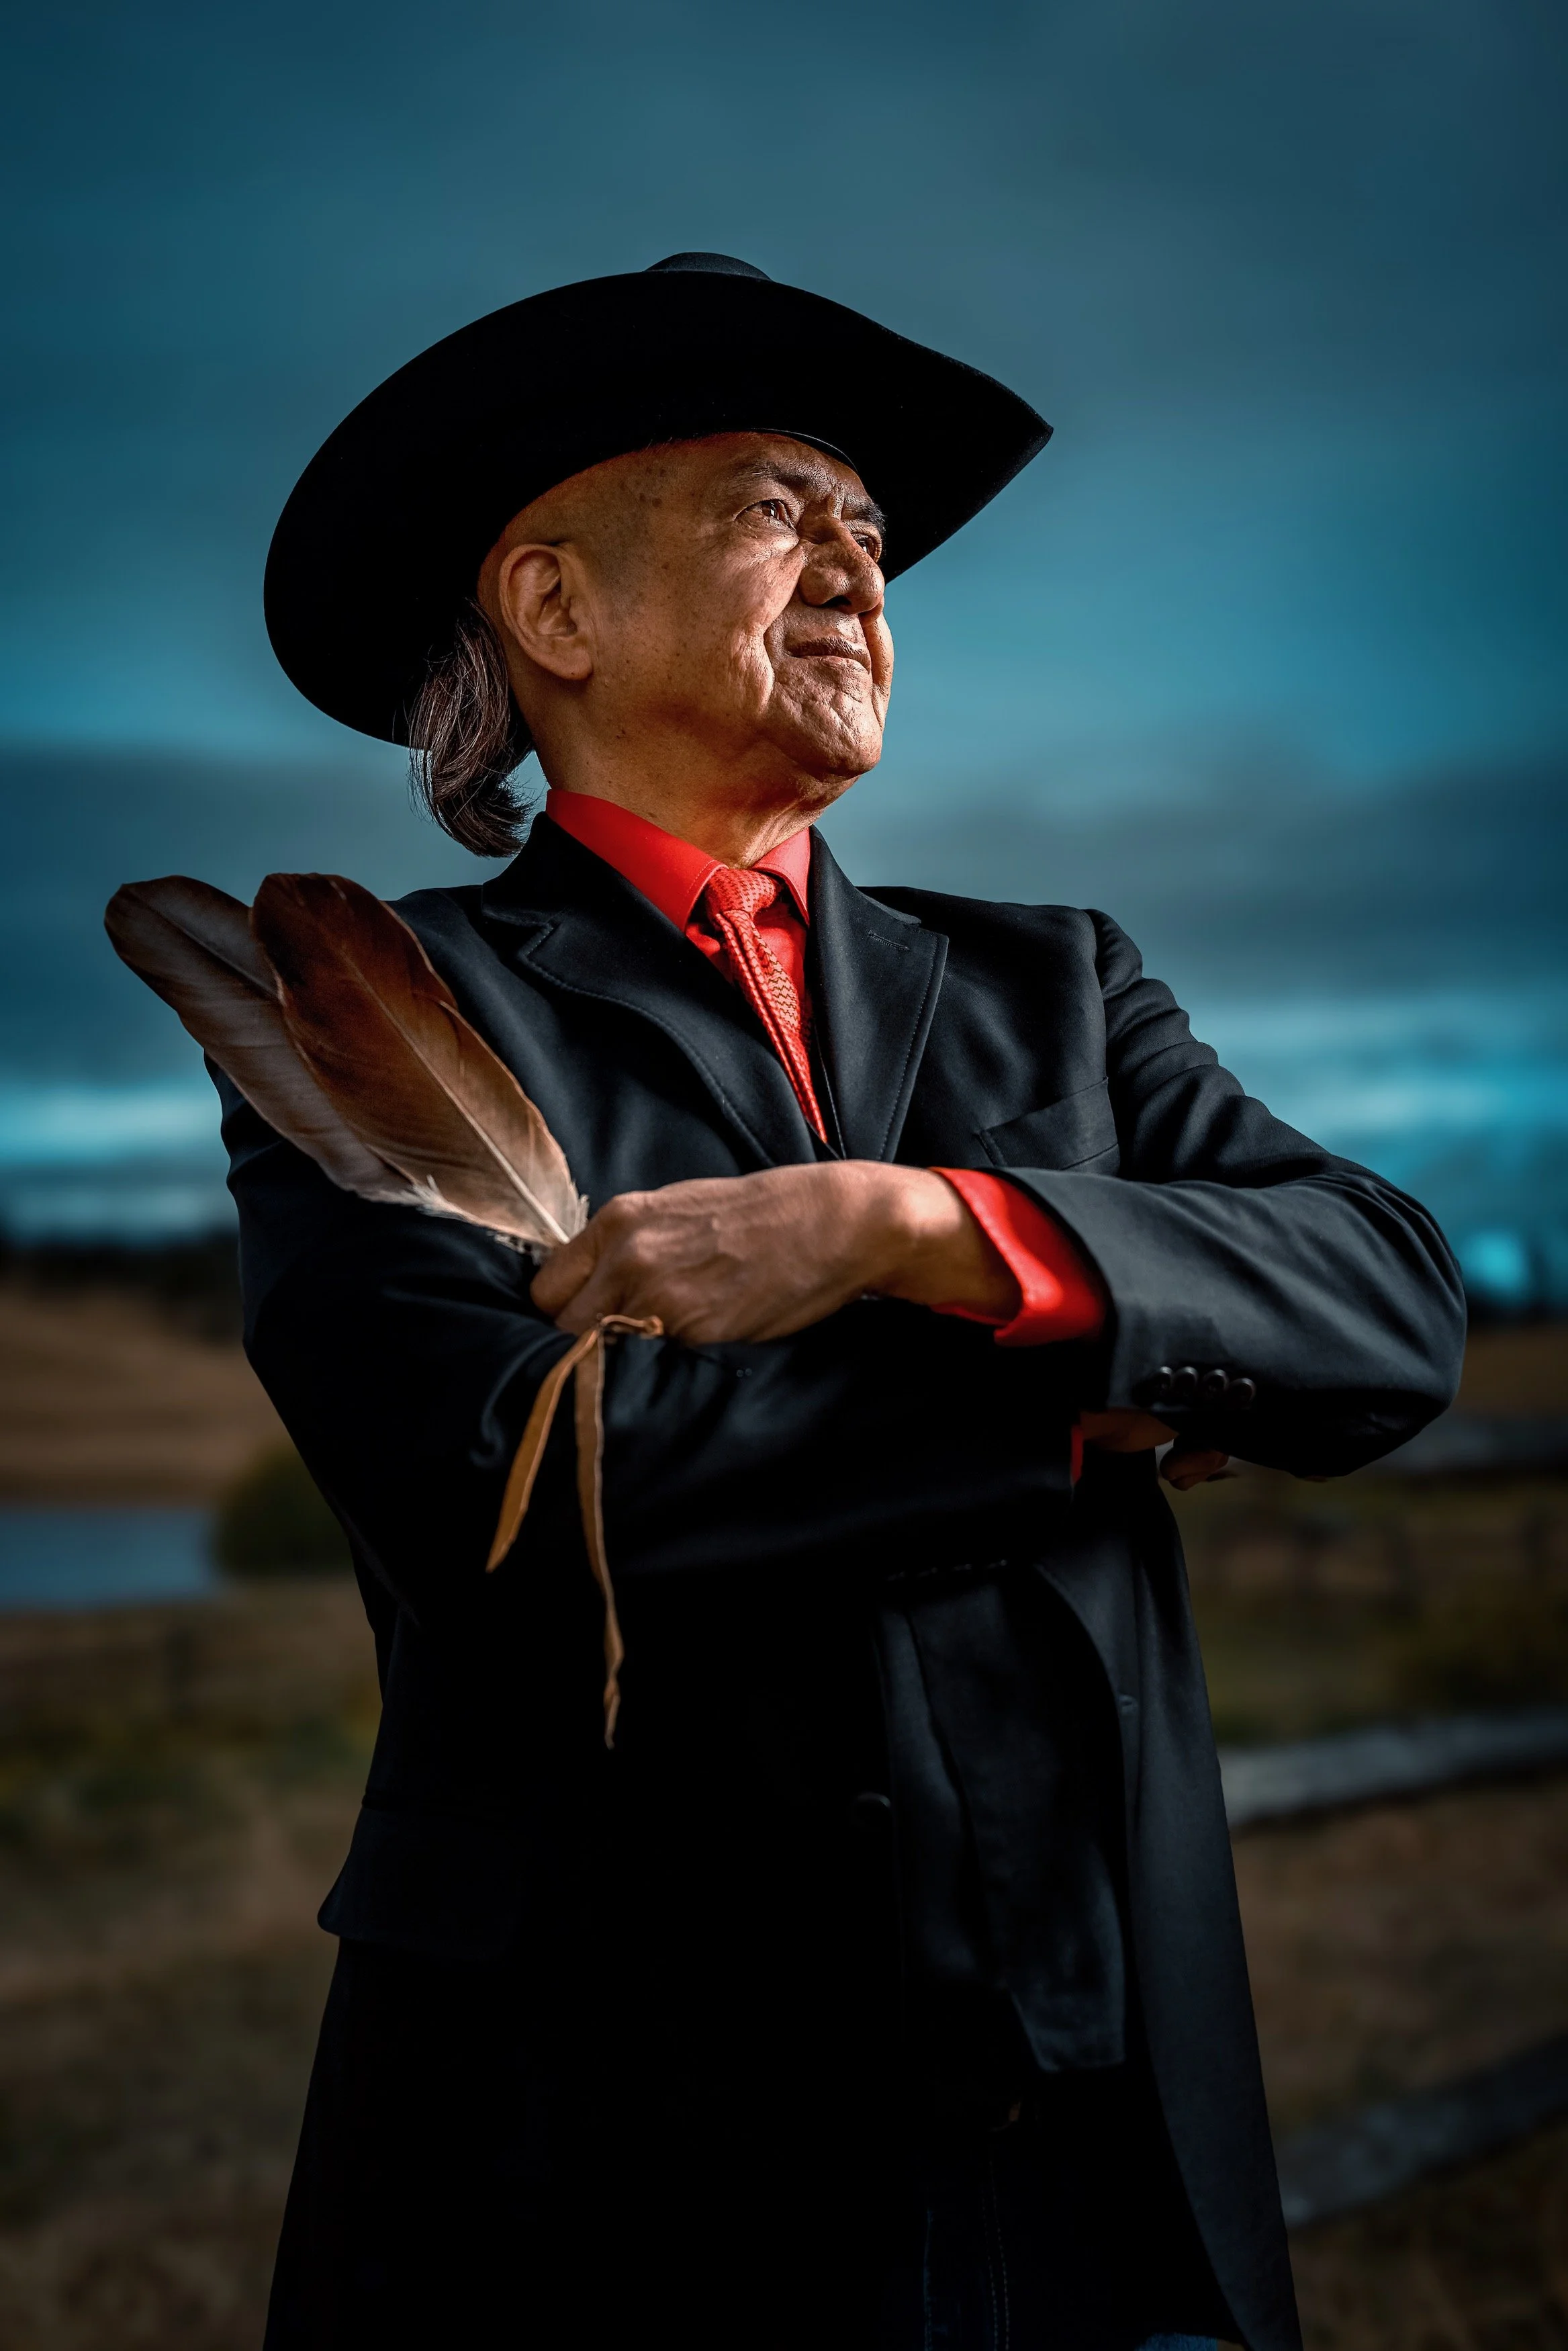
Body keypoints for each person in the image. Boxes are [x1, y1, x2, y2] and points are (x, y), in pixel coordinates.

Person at [240, 253, 1464, 2350]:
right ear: (554, 609)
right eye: (782, 504)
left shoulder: (1053, 980)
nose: (859, 566)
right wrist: (1082, 1384)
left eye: (874, 533)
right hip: (606, 2145)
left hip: (1099, 2110)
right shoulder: (382, 1007)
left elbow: (1384, 1304)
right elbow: (516, 1506)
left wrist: (918, 1230)